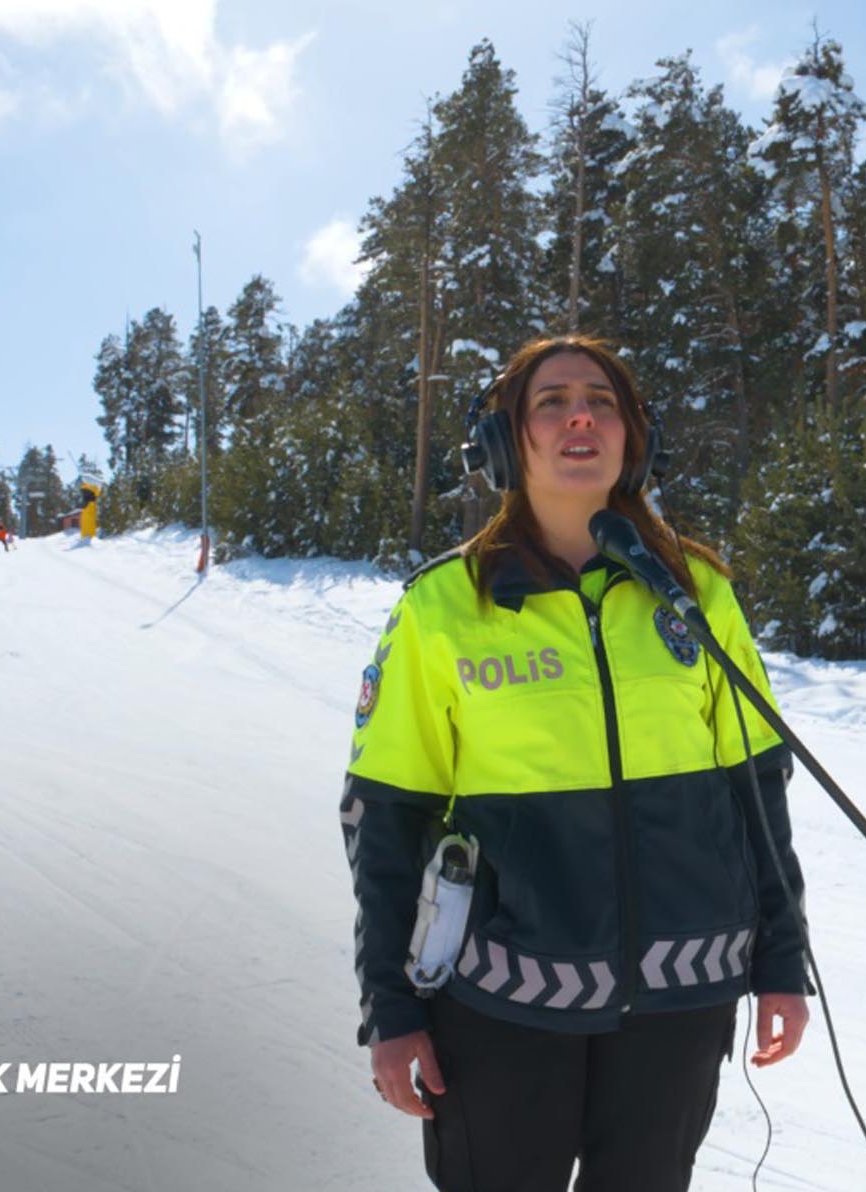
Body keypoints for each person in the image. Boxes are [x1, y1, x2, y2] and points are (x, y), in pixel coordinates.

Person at [339, 335, 809, 1192]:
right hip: (498, 1004)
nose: (579, 415)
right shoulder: (443, 606)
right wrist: (392, 1009)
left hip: (683, 996)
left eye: (601, 398)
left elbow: (757, 795)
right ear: (506, 443)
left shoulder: (696, 593)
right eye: (549, 402)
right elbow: (384, 820)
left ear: (636, 437)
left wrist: (781, 962)